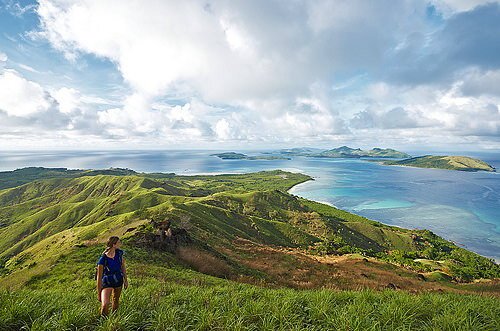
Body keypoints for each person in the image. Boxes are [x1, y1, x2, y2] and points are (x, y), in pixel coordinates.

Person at [96, 236, 129, 316]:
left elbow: (122, 267)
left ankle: (114, 317)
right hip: (107, 282)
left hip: (118, 280)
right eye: (119, 242)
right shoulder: (103, 259)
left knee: (116, 300)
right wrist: (99, 292)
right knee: (105, 304)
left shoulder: (119, 254)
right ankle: (103, 321)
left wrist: (125, 280)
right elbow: (99, 277)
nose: (120, 244)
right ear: (114, 245)